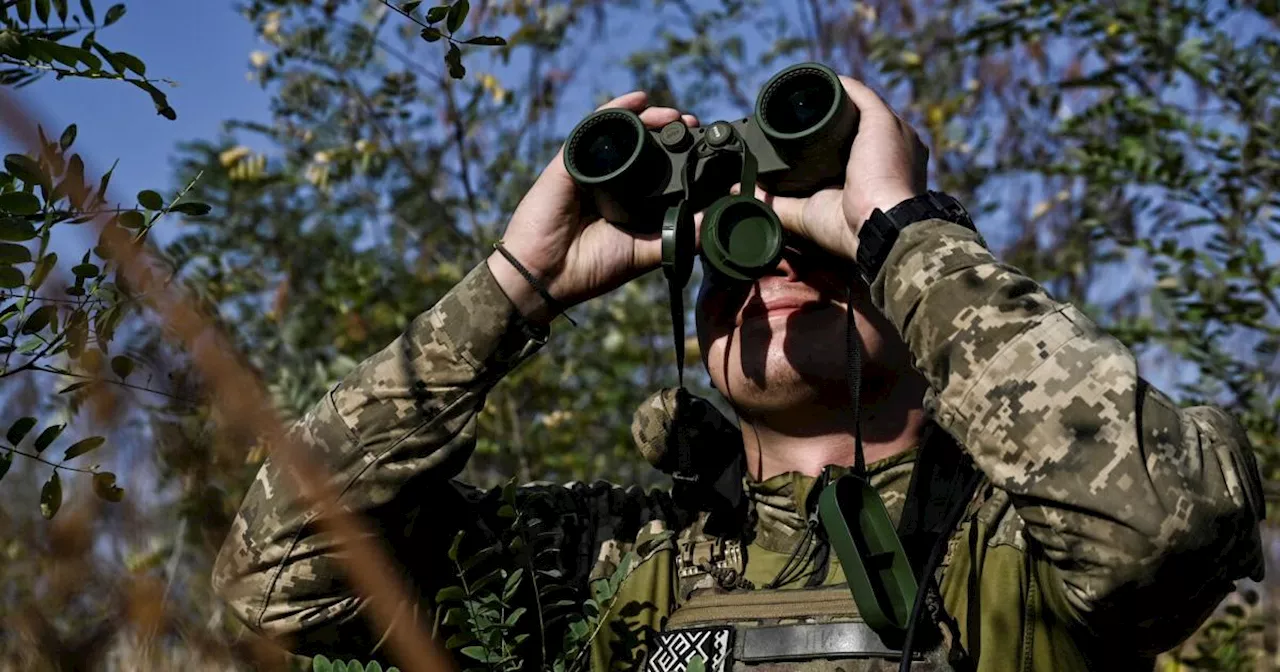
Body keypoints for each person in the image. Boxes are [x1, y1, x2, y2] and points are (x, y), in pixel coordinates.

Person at [211, 76, 1266, 671]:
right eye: (738, 253)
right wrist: (514, 285)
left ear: (912, 295)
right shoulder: (597, 566)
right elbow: (274, 582)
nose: (775, 268)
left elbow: (1154, 521)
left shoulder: (1013, 546)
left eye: (824, 251)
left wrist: (893, 228)